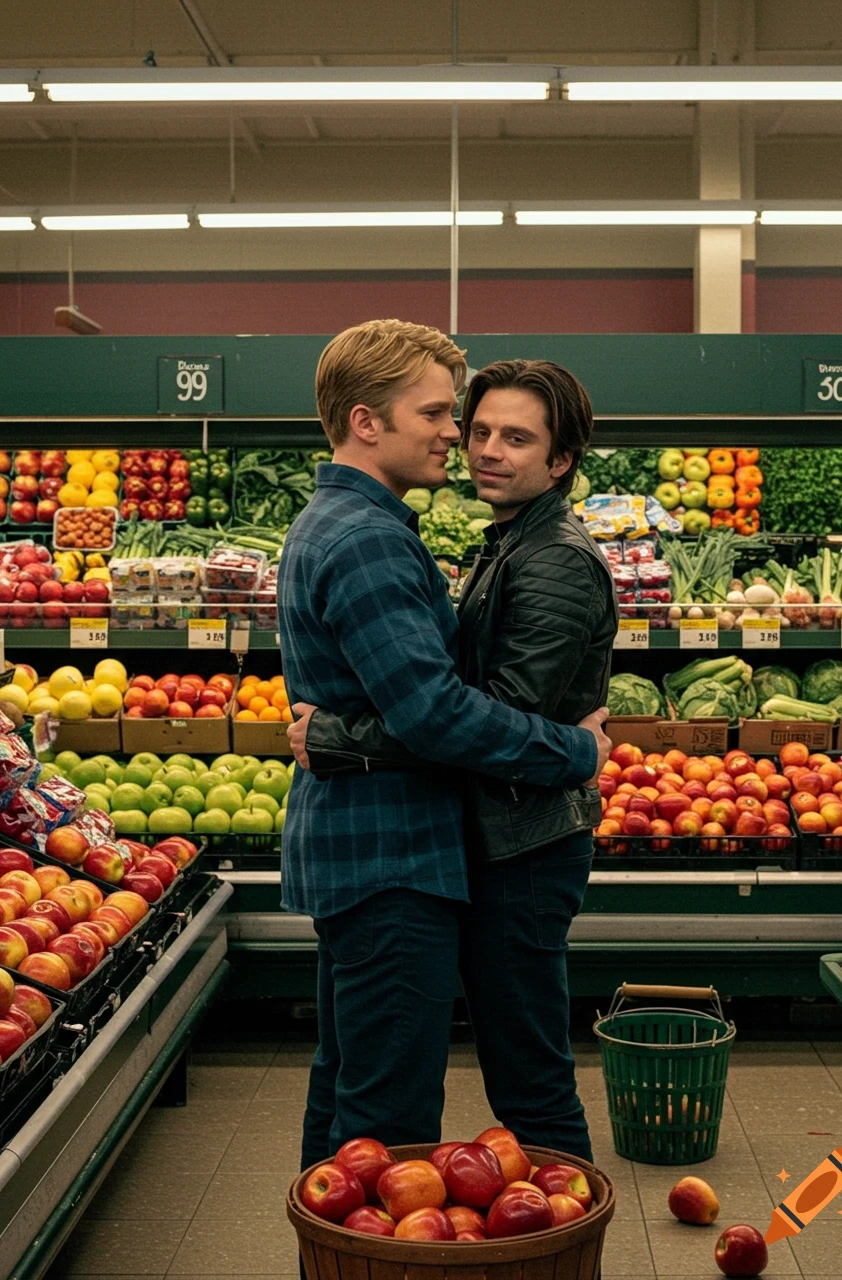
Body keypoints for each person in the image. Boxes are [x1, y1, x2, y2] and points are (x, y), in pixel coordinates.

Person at [277, 320, 610, 1171]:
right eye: (440, 414)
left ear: (560, 459)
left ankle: (340, 1249)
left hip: (414, 847)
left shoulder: (368, 528)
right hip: (392, 854)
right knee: (386, 1111)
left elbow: (451, 706)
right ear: (366, 421)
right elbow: (439, 715)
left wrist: (339, 737)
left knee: (358, 1085)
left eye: (509, 435)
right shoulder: (366, 538)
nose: (460, 436)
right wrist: (579, 752)